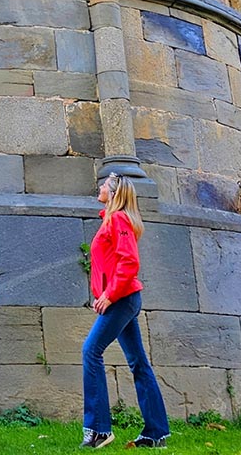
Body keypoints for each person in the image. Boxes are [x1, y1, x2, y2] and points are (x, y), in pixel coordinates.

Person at [80, 172, 171, 450]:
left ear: (114, 193)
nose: (100, 186)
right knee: (138, 362)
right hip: (123, 298)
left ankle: (99, 430)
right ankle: (156, 433)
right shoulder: (111, 219)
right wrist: (105, 293)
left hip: (122, 299)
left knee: (91, 351)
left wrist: (109, 295)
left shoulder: (118, 219)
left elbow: (129, 262)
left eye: (105, 184)